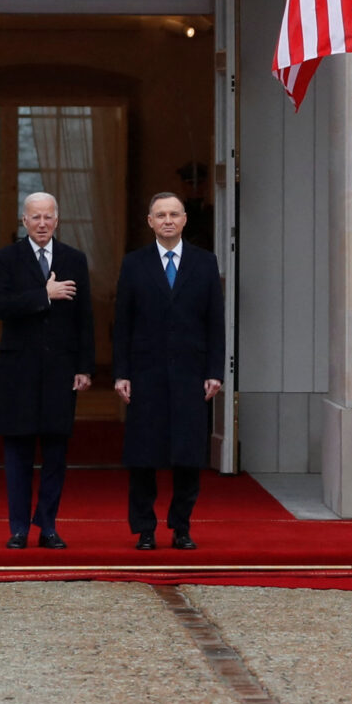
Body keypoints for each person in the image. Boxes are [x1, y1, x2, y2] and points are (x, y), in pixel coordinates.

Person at [114, 192, 225, 550]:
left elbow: (215, 324)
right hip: (146, 373)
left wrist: (214, 371)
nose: (167, 220)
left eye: (174, 214)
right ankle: (144, 528)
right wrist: (121, 373)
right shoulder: (134, 264)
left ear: (184, 219)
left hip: (191, 373)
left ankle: (181, 527)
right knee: (144, 456)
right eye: (160, 214)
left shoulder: (205, 263)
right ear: (149, 221)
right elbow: (122, 324)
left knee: (188, 456)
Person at [0, 191, 92, 548]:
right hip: (18, 371)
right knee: (17, 452)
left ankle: (47, 525)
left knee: (55, 452)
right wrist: (44, 295)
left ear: (57, 219)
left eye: (48, 216)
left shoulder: (73, 259)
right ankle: (18, 528)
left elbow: (84, 318)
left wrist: (84, 367)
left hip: (60, 371)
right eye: (35, 217)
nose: (42, 223)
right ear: (24, 221)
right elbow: (0, 306)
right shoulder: (6, 259)